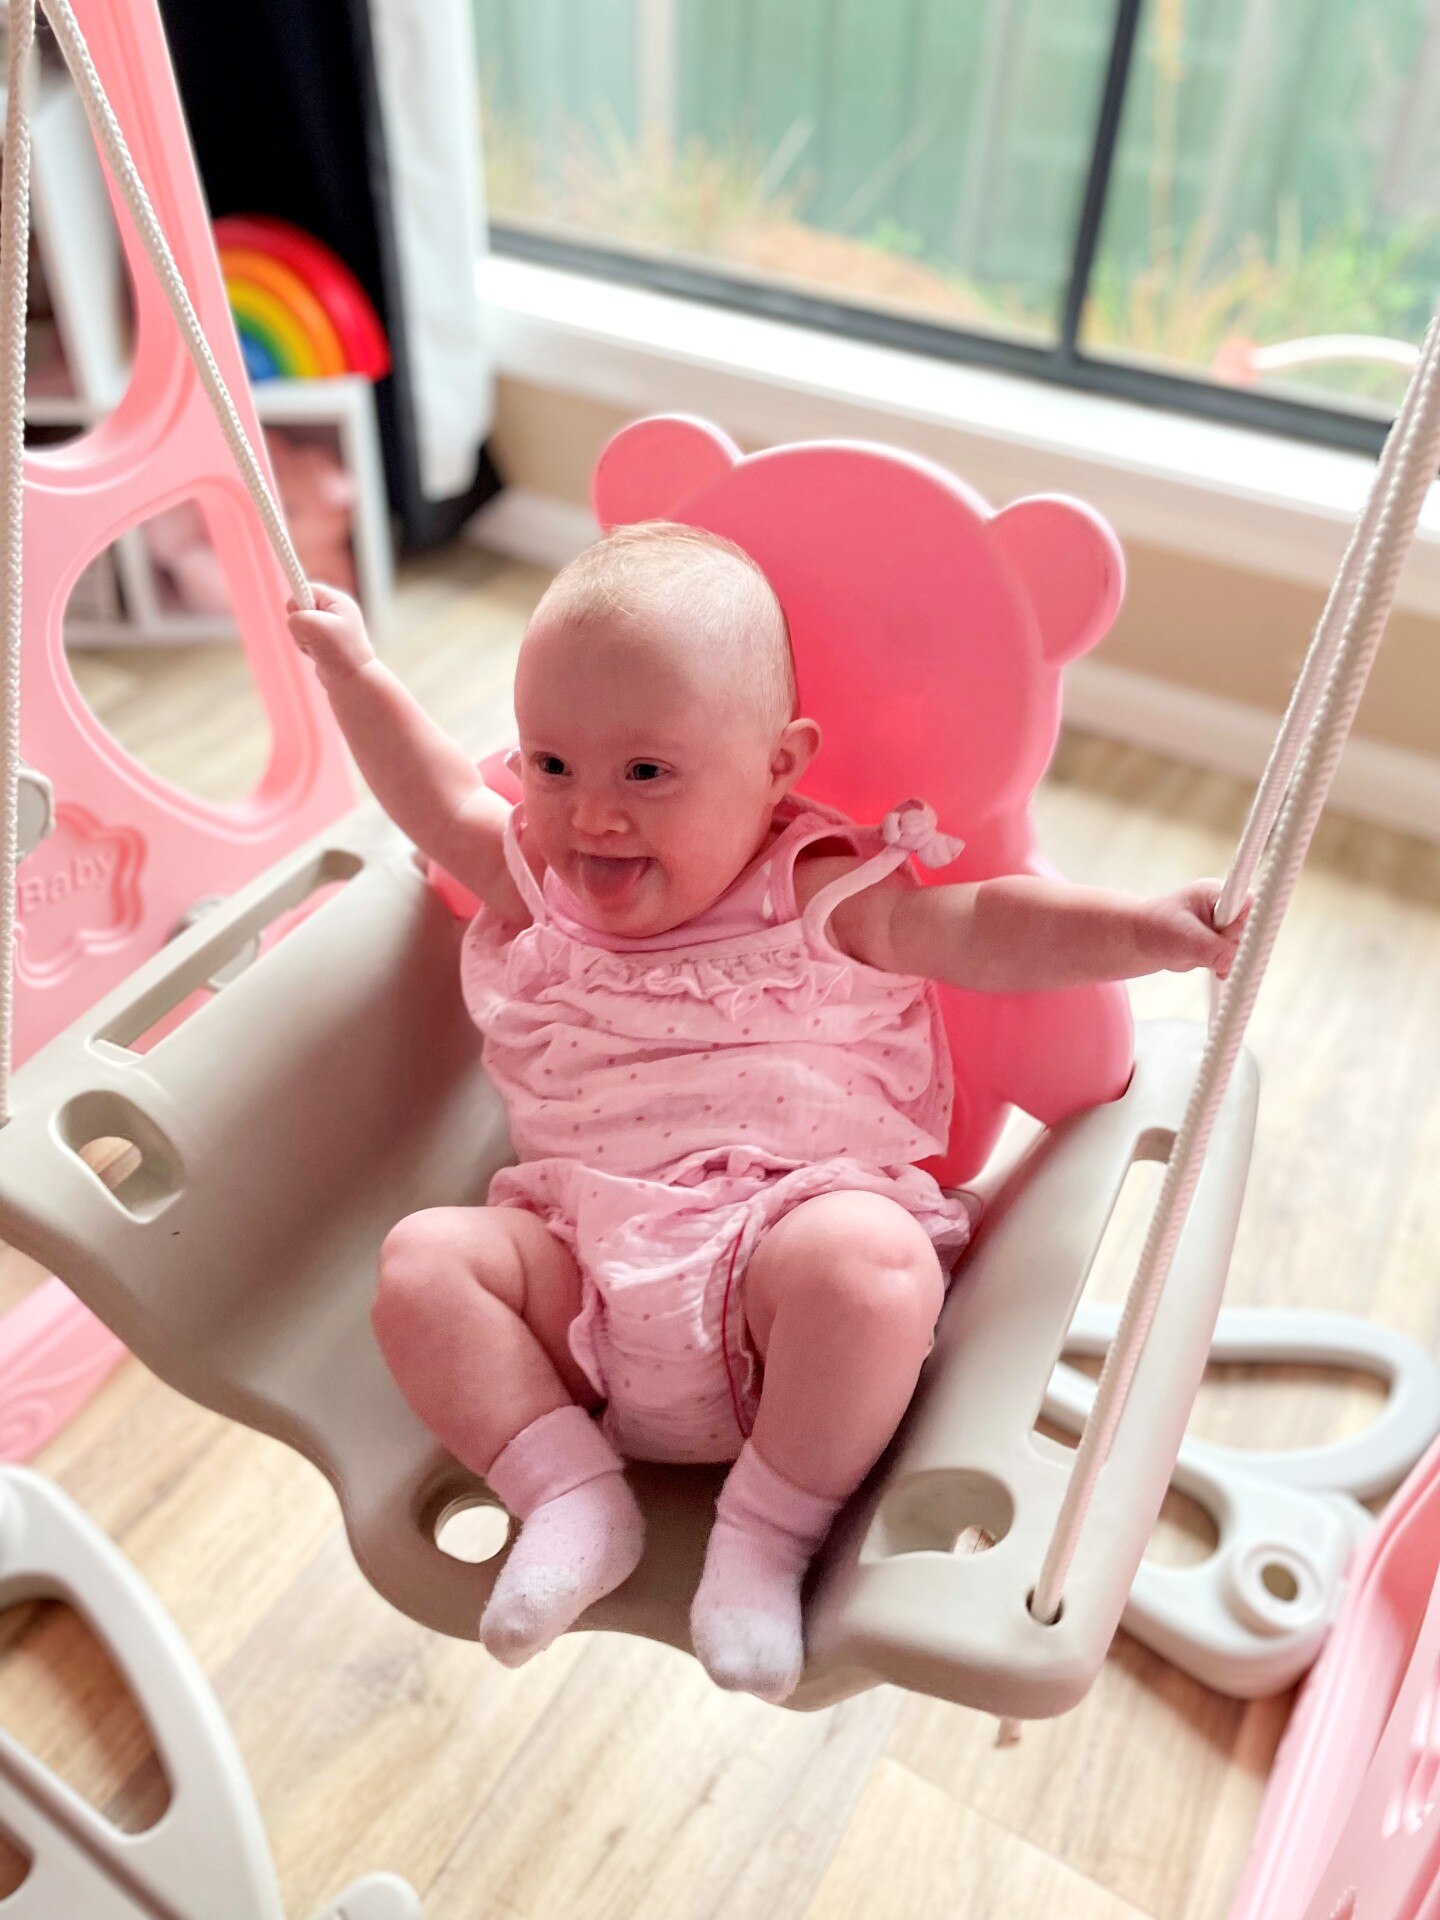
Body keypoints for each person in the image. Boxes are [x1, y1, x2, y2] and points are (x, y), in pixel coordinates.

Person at [287, 522, 1242, 1703]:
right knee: (424, 1266)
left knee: (874, 1267)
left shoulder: (821, 895)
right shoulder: (535, 884)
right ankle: (570, 1494)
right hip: (579, 1275)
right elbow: (436, 800)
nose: (591, 815)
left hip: (773, 1264)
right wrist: (355, 675)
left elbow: (986, 926)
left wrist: (1146, 930)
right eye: (551, 766)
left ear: (779, 765)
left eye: (646, 773)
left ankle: (767, 1536)